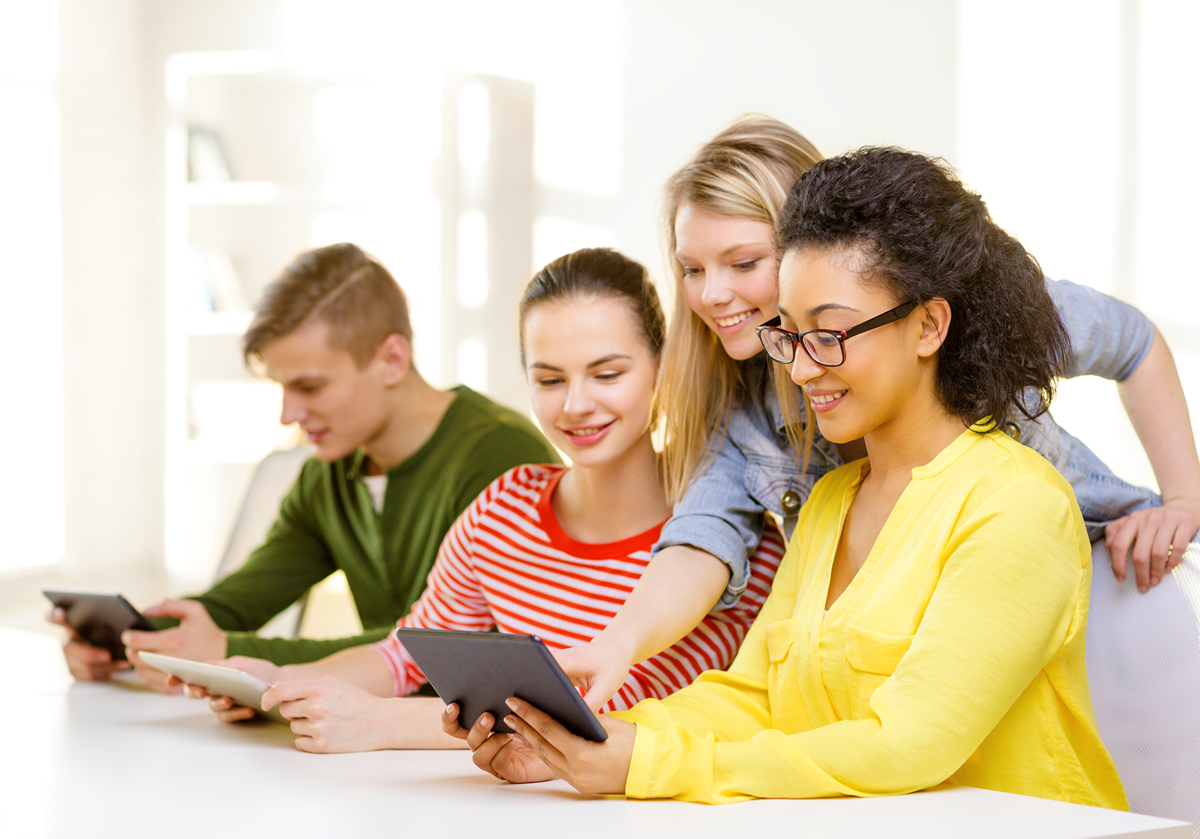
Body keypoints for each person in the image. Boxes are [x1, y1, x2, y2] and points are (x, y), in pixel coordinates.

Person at [452, 147, 1129, 808]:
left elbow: (909, 744)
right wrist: (586, 740)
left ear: (928, 324)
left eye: (828, 334)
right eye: (790, 335)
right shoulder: (831, 499)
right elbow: (753, 696)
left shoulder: (1017, 505)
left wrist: (648, 762)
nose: (802, 370)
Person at [554, 116, 1200, 709]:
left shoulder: (961, 313)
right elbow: (701, 540)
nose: (713, 293)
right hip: (958, 645)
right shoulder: (748, 413)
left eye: (743, 262)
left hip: (1120, 587)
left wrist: (1182, 500)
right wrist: (620, 643)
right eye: (691, 268)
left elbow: (1133, 341)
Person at [182, 248, 785, 752]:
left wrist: (376, 723)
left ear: (664, 369)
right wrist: (281, 681)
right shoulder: (505, 508)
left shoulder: (723, 549)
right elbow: (405, 658)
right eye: (549, 379)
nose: (575, 405)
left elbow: (607, 720)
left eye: (606, 374)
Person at [51, 242, 558, 687]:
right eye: (281, 387)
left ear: (391, 360)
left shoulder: (503, 459)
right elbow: (234, 604)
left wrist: (232, 654)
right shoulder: (329, 473)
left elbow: (453, 650)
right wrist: (120, 642)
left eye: (310, 387)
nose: (288, 414)